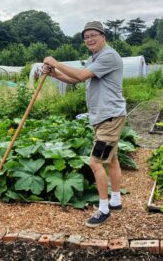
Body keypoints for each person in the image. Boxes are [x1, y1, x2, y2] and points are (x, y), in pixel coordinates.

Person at [43, 21, 126, 228]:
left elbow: (80, 75)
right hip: (103, 117)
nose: (89, 39)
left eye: (93, 35)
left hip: (109, 118)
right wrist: (54, 73)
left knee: (96, 162)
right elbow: (76, 80)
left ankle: (103, 209)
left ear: (103, 36)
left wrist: (55, 61)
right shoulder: (93, 58)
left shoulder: (109, 56)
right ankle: (115, 200)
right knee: (112, 158)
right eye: (86, 37)